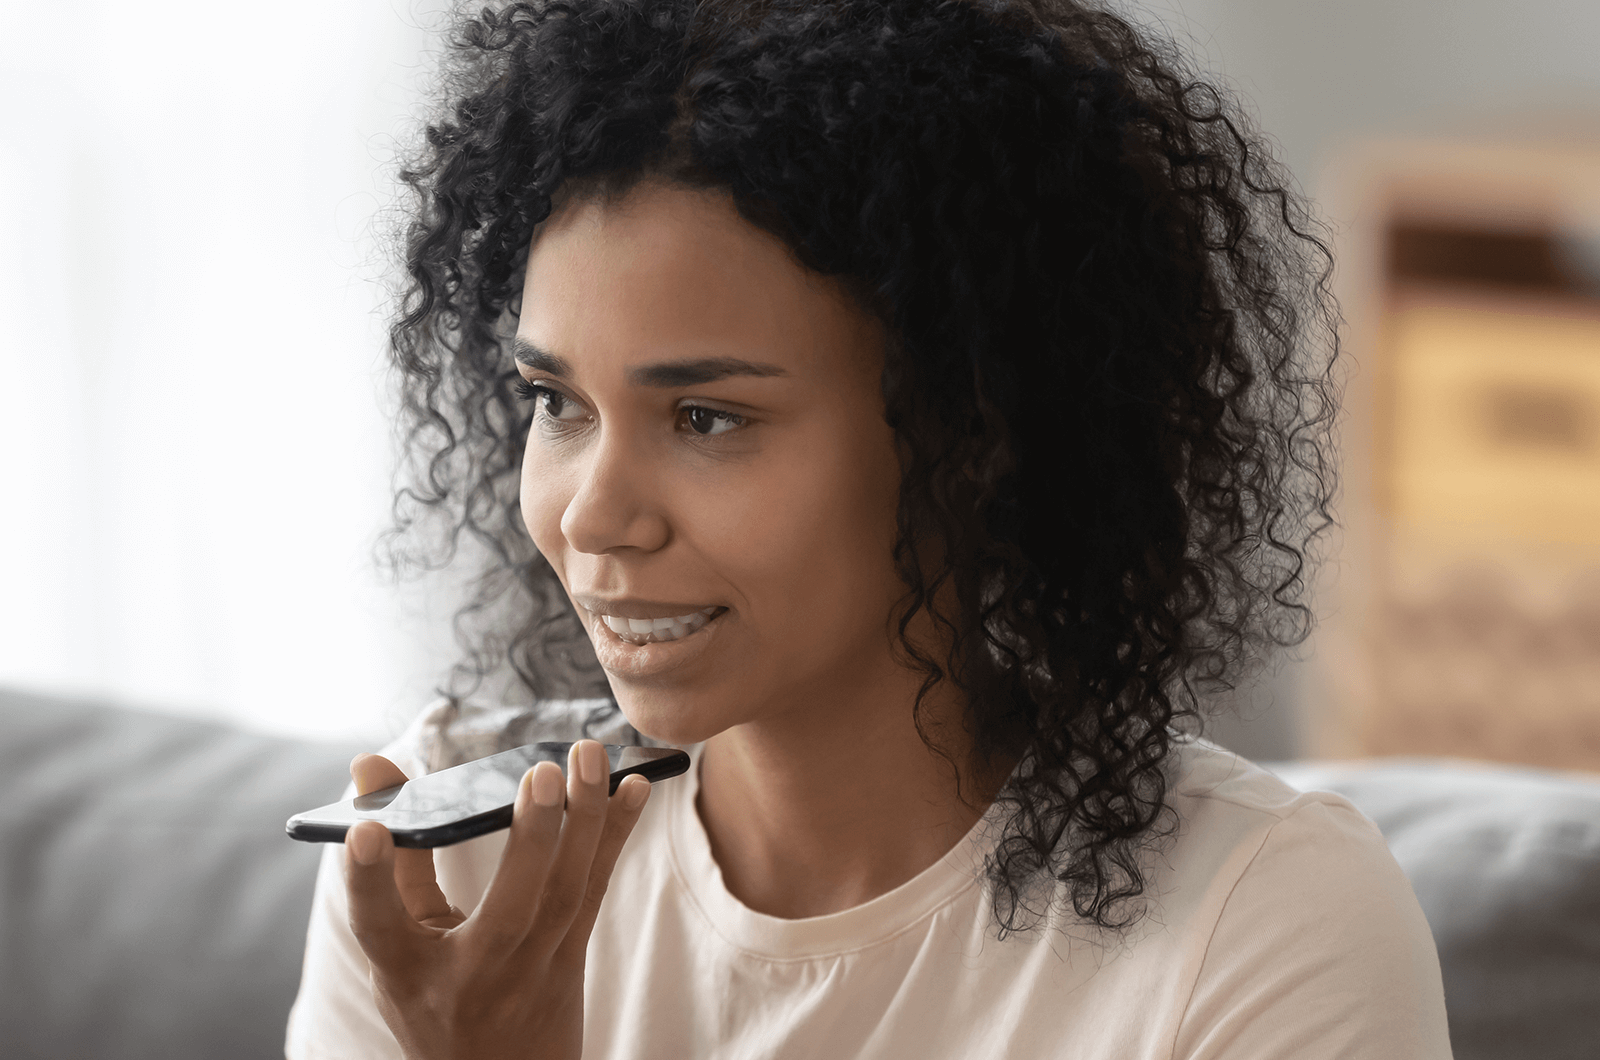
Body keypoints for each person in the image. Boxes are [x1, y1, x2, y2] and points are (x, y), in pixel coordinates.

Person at [286, 0, 1452, 1056]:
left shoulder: (1259, 921)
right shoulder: (446, 875)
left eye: (704, 417)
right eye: (557, 404)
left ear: (972, 431)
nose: (593, 512)